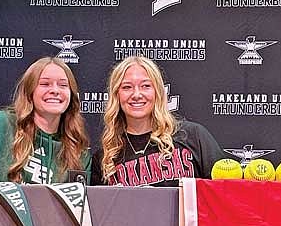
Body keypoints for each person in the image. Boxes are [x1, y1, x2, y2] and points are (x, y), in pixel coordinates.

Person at [91, 56, 225, 187]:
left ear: (158, 92)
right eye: (127, 87)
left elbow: (225, 192)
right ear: (116, 95)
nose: (137, 94)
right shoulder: (106, 156)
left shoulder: (193, 136)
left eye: (146, 86)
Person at [0, 57, 91, 183]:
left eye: (63, 85)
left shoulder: (78, 151)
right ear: (29, 91)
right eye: (45, 84)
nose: (55, 90)